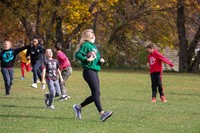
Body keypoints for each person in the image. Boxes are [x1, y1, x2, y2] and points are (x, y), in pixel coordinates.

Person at [73, 29, 112, 122]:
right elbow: (78, 54)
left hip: (94, 71)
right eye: (94, 36)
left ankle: (78, 107)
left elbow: (95, 58)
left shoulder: (93, 46)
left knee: (96, 94)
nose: (95, 38)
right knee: (96, 93)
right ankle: (102, 114)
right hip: (88, 71)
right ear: (91, 37)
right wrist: (86, 60)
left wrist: (100, 60)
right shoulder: (86, 45)